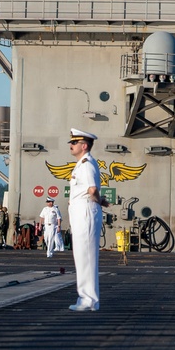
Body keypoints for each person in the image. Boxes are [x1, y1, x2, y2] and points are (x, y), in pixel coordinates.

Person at [66, 128, 102, 312]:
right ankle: (86, 298)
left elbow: (92, 190)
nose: (71, 145)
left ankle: (88, 299)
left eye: (74, 142)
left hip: (85, 211)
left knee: (86, 257)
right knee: (82, 257)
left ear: (84, 145)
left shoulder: (86, 164)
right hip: (82, 211)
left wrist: (98, 201)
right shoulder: (82, 164)